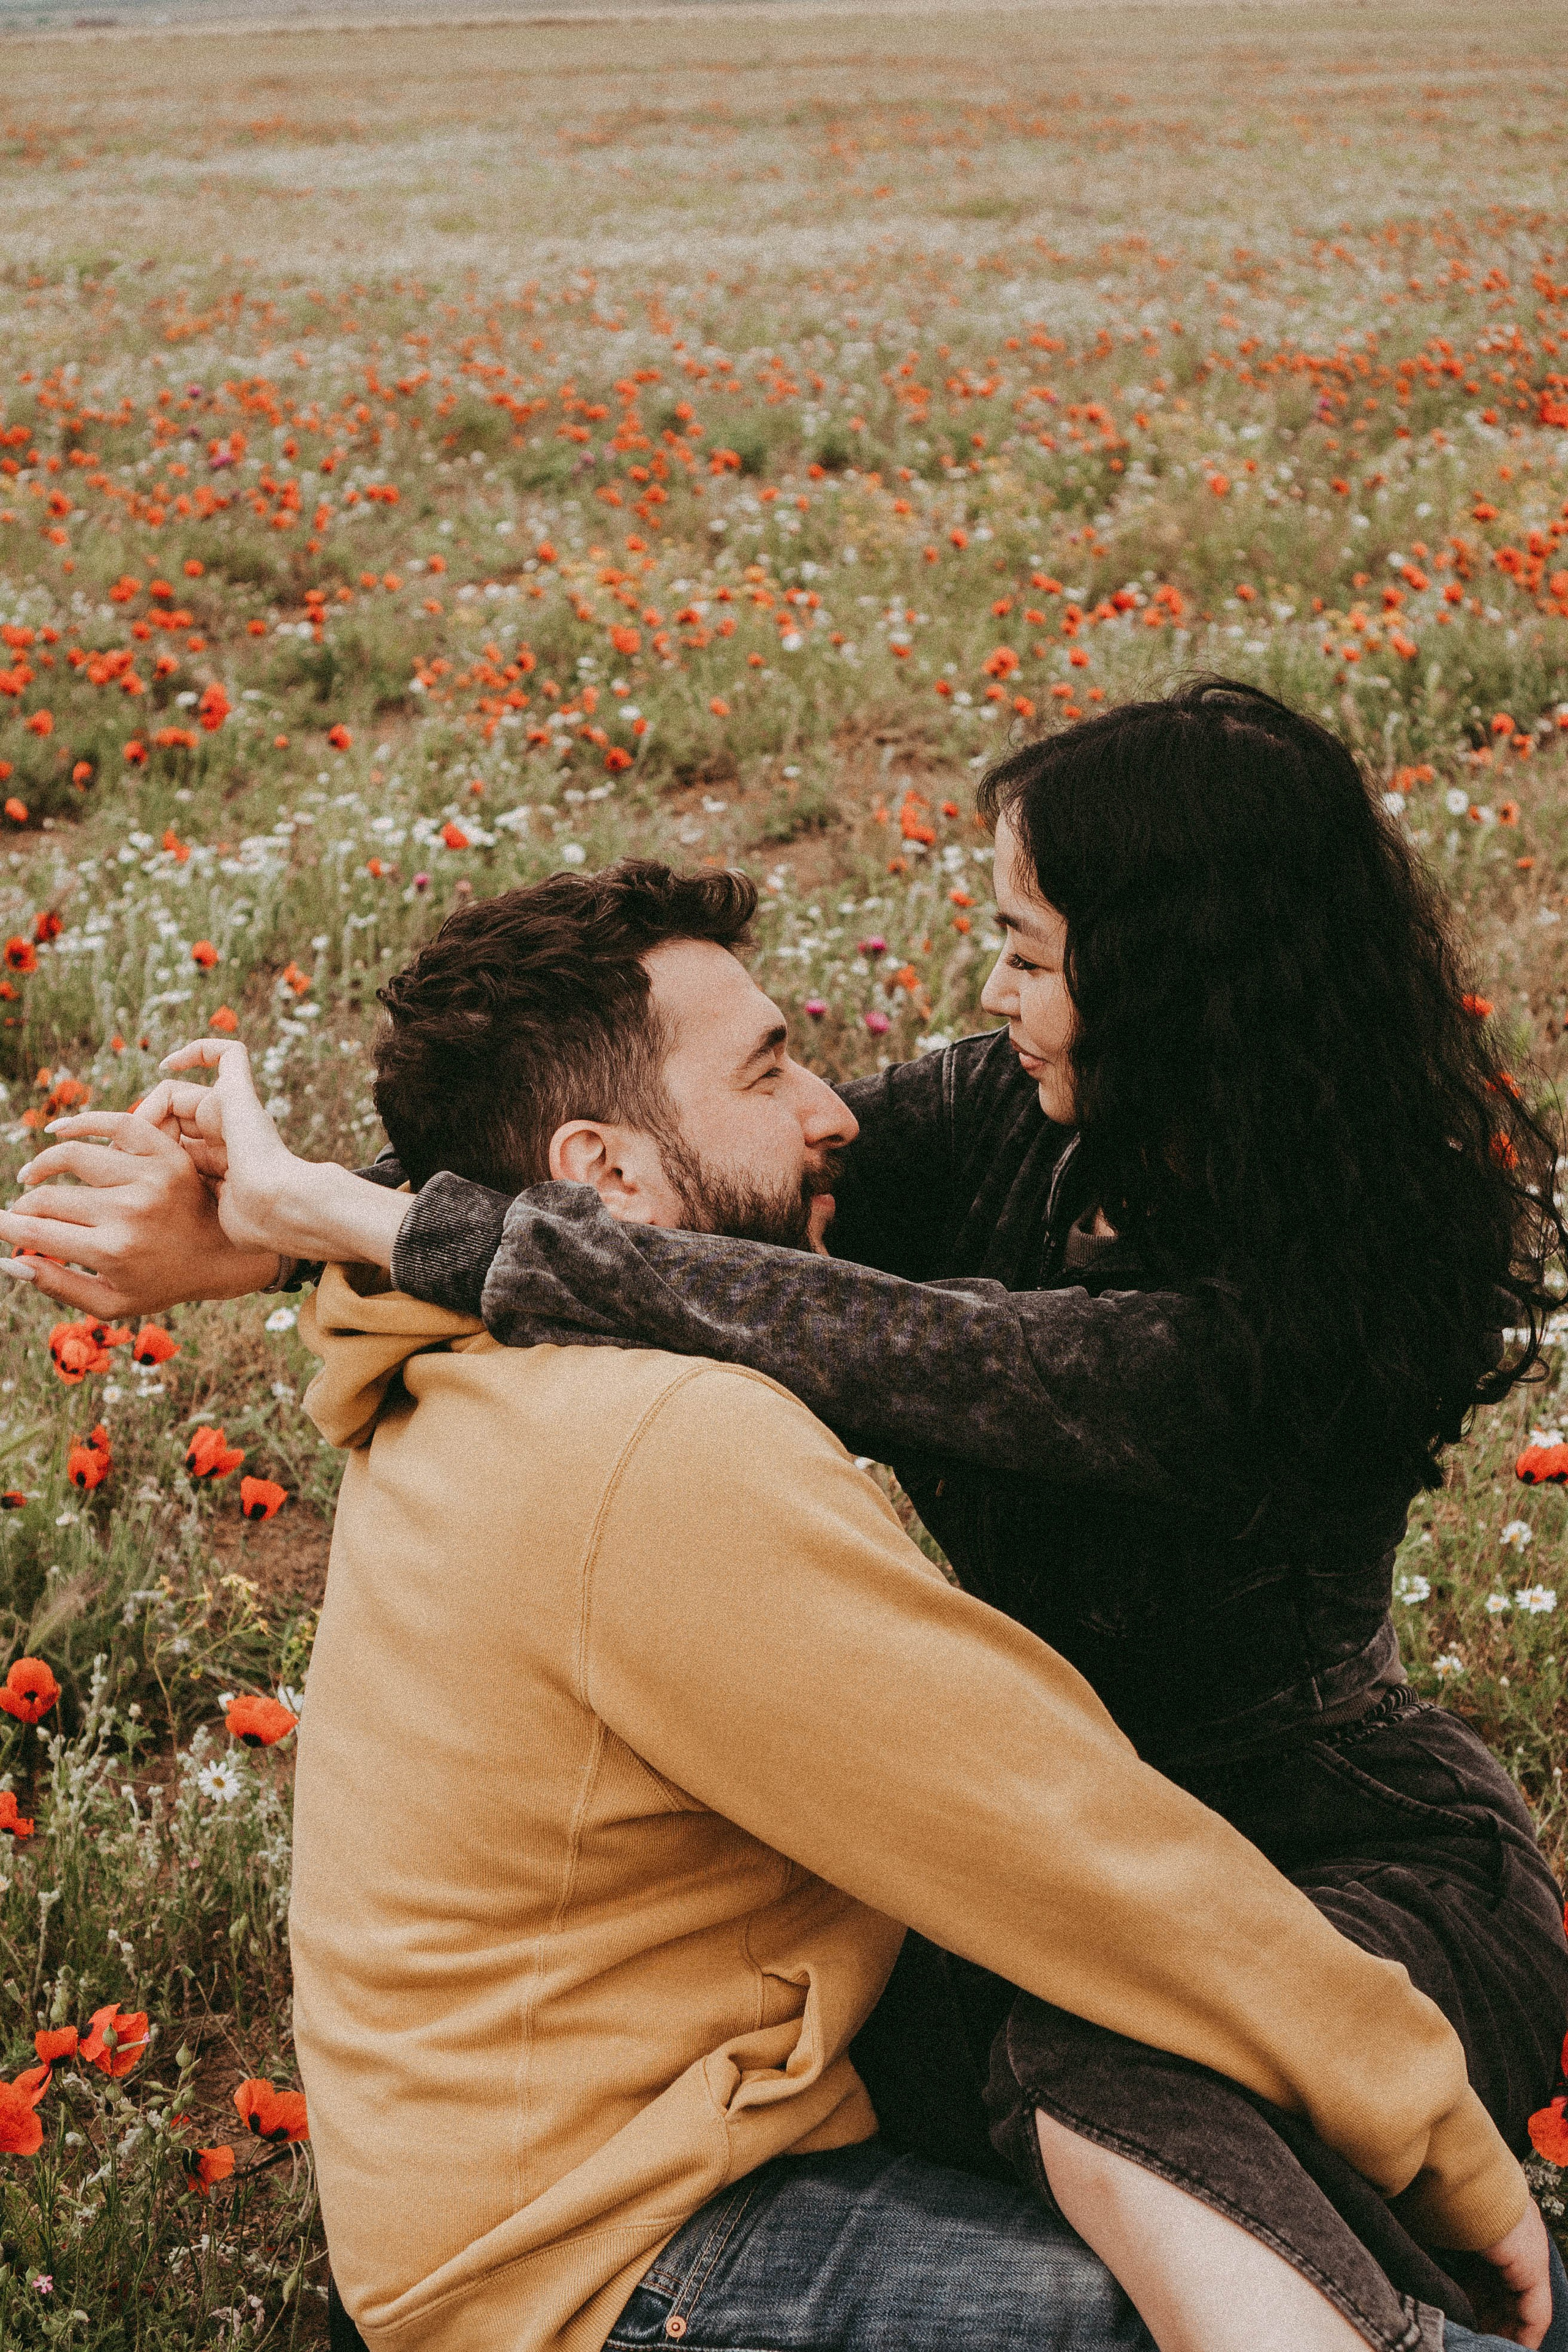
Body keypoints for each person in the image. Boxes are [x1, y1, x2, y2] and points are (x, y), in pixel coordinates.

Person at [2, 719, 1563, 2348]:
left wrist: (349, 1222)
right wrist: (283, 1222)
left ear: (1165, 986)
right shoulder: (987, 1141)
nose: (844, 1102)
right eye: (774, 1064)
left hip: (1314, 1858)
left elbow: (872, 1341)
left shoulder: (1284, 1321)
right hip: (1052, 1900)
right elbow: (595, 1168)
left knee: (1123, 2081)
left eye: (1026, 955)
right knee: (1112, 2095)